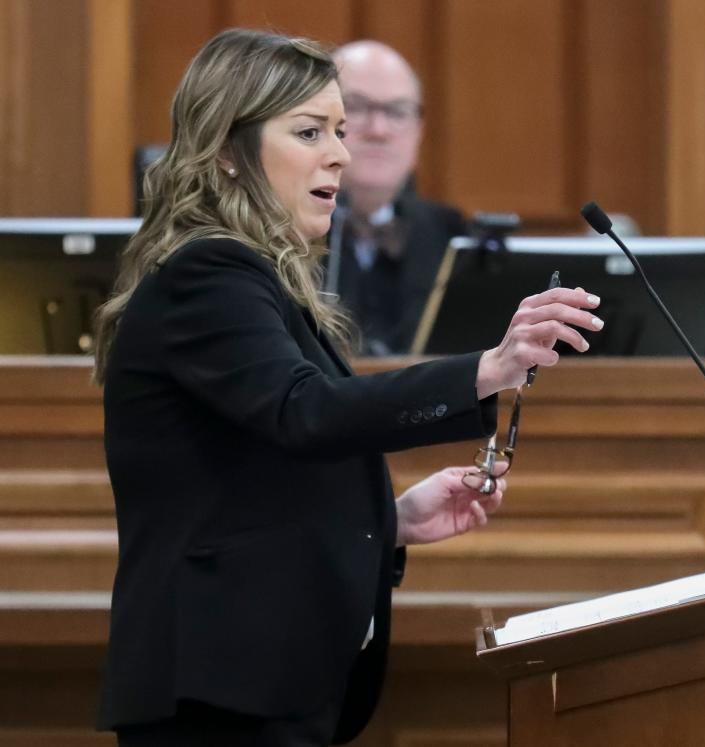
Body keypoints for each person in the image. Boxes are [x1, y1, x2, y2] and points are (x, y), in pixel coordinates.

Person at [92, 28, 602, 747]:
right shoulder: (206, 275)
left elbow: (249, 478)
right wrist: (485, 367)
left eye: (338, 129)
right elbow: (305, 412)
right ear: (227, 152)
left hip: (256, 683)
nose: (341, 151)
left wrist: (389, 520)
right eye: (309, 131)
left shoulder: (252, 280)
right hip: (218, 689)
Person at [325, 40, 465, 355]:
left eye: (397, 112)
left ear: (419, 132)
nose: (379, 129)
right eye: (356, 107)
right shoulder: (277, 235)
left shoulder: (451, 235)